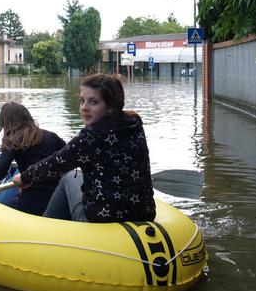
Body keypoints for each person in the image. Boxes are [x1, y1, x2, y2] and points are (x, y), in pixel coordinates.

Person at [13, 74, 156, 222]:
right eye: (82, 101)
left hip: (102, 218)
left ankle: (46, 231)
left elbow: (55, 163)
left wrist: (24, 177)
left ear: (111, 107)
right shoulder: (134, 125)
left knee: (68, 177)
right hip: (145, 213)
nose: (84, 108)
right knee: (77, 177)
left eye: (93, 102)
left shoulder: (91, 137)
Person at [0, 101, 65, 215]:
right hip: (57, 198)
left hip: (33, 199)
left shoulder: (13, 140)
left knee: (7, 208)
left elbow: (0, 169)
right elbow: (69, 156)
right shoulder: (51, 136)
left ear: (6, 122)